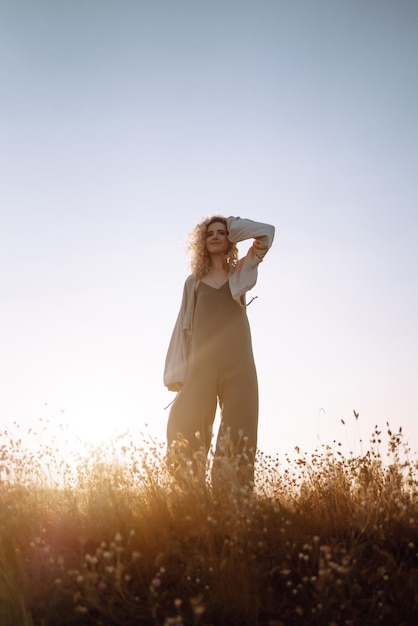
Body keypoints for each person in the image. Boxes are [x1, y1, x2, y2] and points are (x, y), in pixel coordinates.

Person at [164, 215, 275, 486]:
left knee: (241, 422)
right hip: (201, 361)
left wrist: (233, 226)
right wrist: (177, 370)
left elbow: (267, 234)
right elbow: (182, 325)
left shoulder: (240, 272)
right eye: (209, 233)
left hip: (238, 361)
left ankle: (231, 492)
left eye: (221, 233)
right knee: (187, 419)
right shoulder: (194, 282)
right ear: (202, 242)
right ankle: (191, 489)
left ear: (230, 240)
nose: (215, 236)